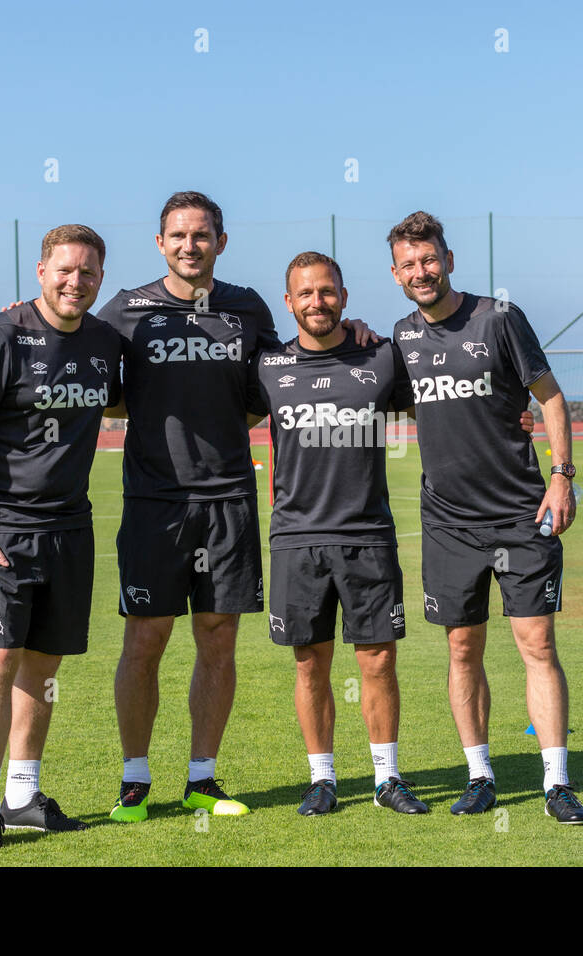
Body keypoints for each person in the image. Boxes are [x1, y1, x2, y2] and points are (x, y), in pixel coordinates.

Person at [95, 193, 373, 821]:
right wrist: (25, 318)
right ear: (159, 243)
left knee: (218, 638)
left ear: (221, 241)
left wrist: (355, 334)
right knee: (146, 637)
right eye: (177, 236)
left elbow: (286, 369)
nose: (189, 245)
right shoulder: (125, 311)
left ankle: (202, 778)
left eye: (201, 235)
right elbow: (81, 359)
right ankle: (134, 782)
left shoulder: (245, 307)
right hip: (153, 502)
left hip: (228, 499)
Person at [387, 211, 583, 824]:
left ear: (449, 260)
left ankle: (556, 782)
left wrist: (562, 475)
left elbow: (550, 397)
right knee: (461, 648)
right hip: (448, 522)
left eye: (430, 260)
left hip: (520, 512)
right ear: (395, 273)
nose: (421, 272)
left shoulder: (500, 318)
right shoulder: (399, 337)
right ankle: (480, 775)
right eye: (409, 264)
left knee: (537, 644)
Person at [0, 224, 122, 850]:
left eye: (89, 273)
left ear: (101, 278)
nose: (77, 282)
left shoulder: (106, 342)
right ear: (42, 270)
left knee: (44, 666)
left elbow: (126, 400)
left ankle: (24, 793)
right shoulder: (0, 337)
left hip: (71, 527)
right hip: (1, 530)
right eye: (66, 270)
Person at [246, 251, 427, 816]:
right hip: (296, 539)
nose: (317, 303)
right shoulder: (267, 367)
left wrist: (516, 412)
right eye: (306, 294)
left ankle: (386, 778)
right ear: (289, 303)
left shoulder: (381, 356)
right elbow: (208, 410)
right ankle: (321, 778)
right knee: (310, 664)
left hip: (368, 536)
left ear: (344, 297)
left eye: (327, 292)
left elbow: (445, 401)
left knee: (378, 662)